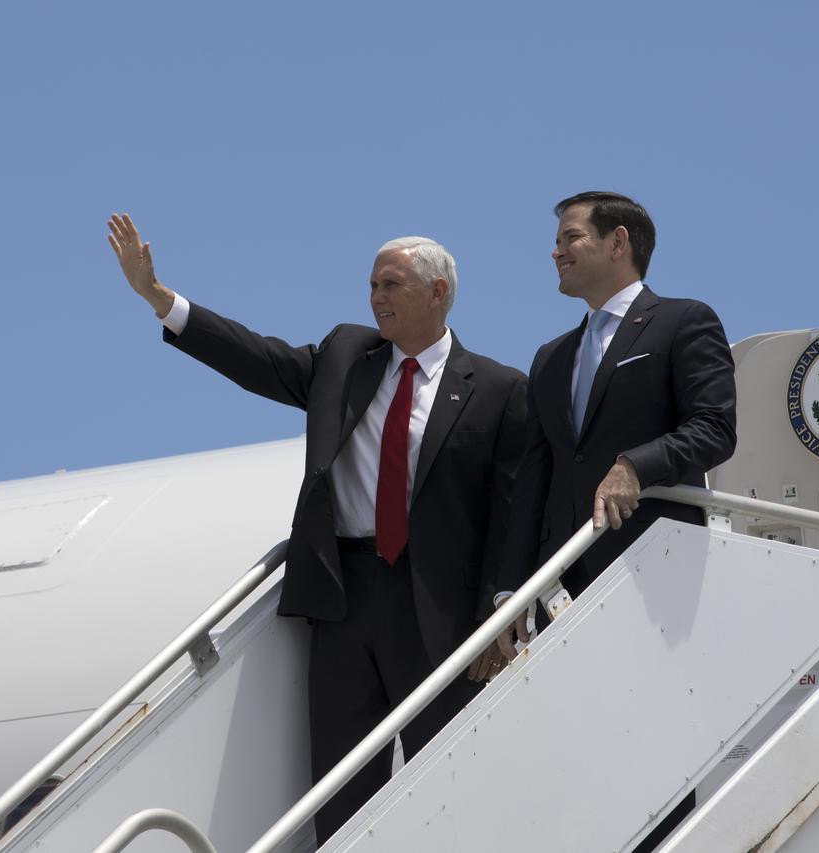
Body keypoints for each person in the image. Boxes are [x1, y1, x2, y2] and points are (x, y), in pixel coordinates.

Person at [107, 213, 526, 842]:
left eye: (391, 285)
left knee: (451, 776)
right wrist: (160, 298)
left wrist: (502, 607)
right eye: (372, 285)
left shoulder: (498, 388)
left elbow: (509, 510)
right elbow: (258, 358)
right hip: (344, 599)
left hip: (438, 607)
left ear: (438, 293)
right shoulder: (346, 356)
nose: (375, 298)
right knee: (341, 789)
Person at [492, 191, 736, 851]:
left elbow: (715, 430)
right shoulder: (550, 358)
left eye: (570, 236)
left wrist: (638, 463)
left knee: (655, 749)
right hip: (565, 593)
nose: (556, 250)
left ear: (618, 241)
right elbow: (533, 484)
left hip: (656, 577)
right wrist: (510, 592)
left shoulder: (684, 323)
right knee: (575, 753)